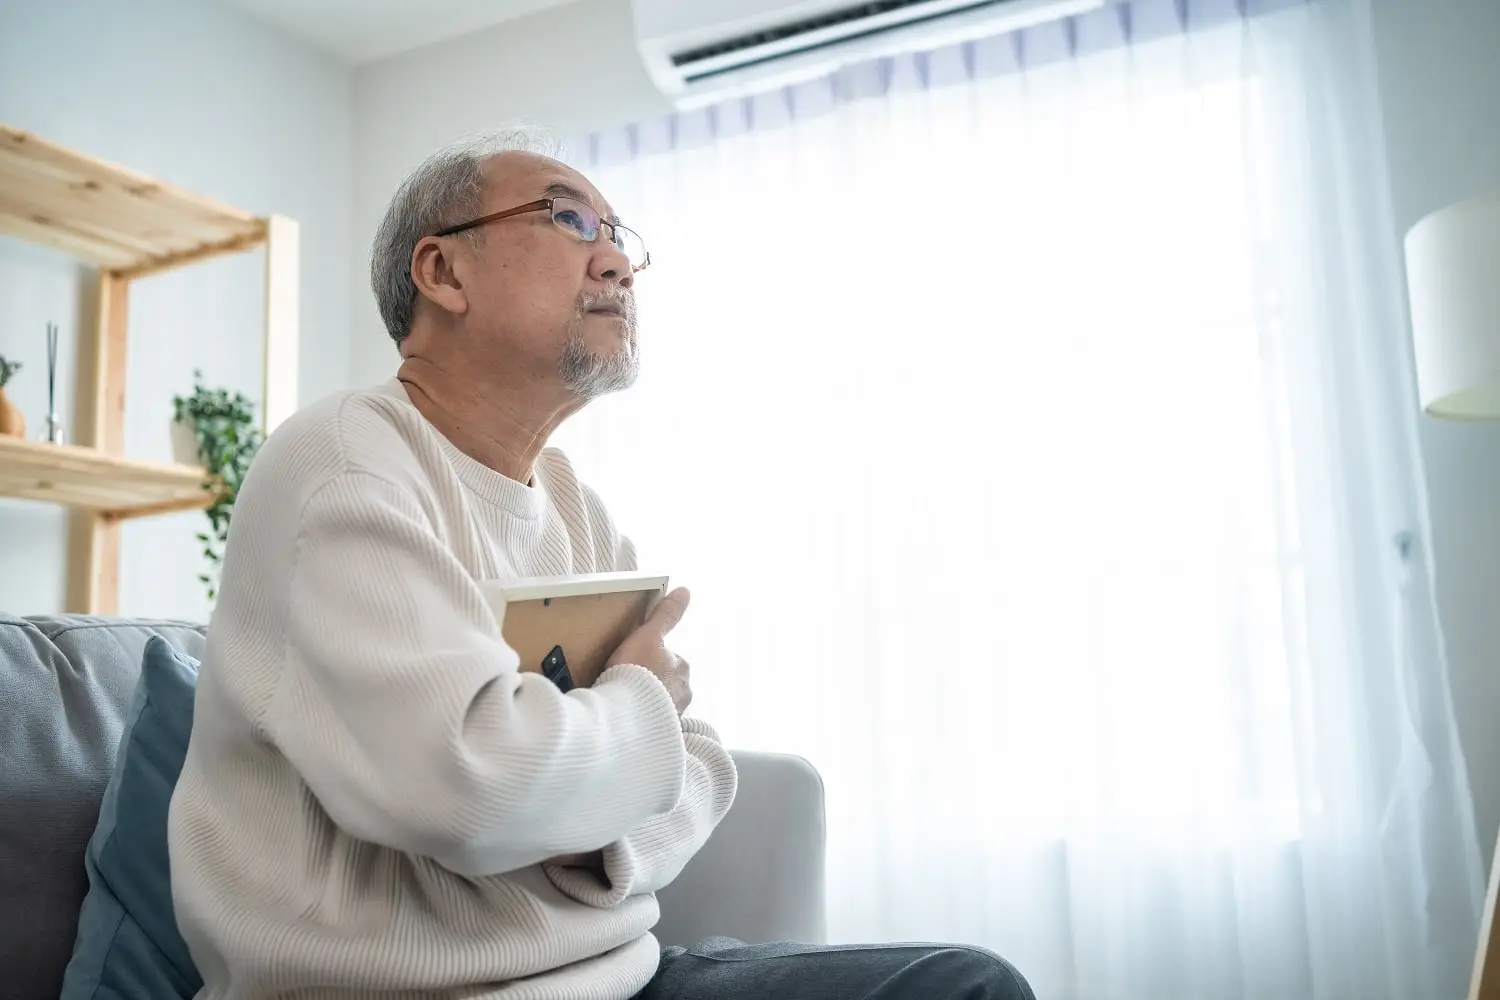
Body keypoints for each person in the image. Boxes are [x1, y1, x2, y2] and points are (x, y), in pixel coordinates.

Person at [166, 126, 1036, 1000]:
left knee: (964, 985)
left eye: (621, 239)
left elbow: (701, 762)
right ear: (442, 272)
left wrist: (592, 830)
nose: (617, 263)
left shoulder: (571, 499)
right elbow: (474, 784)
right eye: (572, 219)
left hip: (625, 976)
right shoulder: (343, 462)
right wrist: (630, 720)